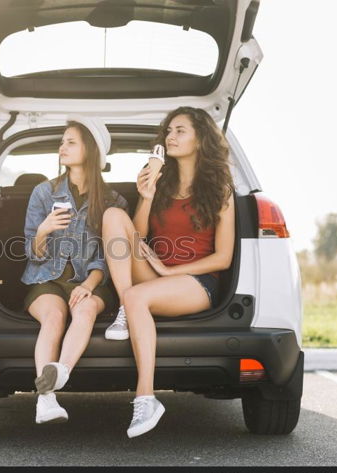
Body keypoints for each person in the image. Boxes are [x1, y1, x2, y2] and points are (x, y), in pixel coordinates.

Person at [101, 106, 236, 438]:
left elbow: (223, 258)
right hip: (155, 277)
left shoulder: (221, 188)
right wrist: (146, 196)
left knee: (137, 296)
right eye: (168, 132)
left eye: (180, 131)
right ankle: (124, 307)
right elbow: (136, 234)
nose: (170, 137)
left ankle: (146, 397)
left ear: (200, 139)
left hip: (196, 282)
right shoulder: (159, 181)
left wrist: (166, 269)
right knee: (112, 217)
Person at [21, 116, 128, 424]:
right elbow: (31, 251)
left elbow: (111, 258)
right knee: (54, 317)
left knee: (84, 310)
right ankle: (46, 401)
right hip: (47, 279)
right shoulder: (43, 193)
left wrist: (90, 285)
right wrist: (43, 230)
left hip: (92, 280)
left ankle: (61, 372)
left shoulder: (113, 201)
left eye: (71, 142)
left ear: (90, 150)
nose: (62, 147)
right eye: (62, 141)